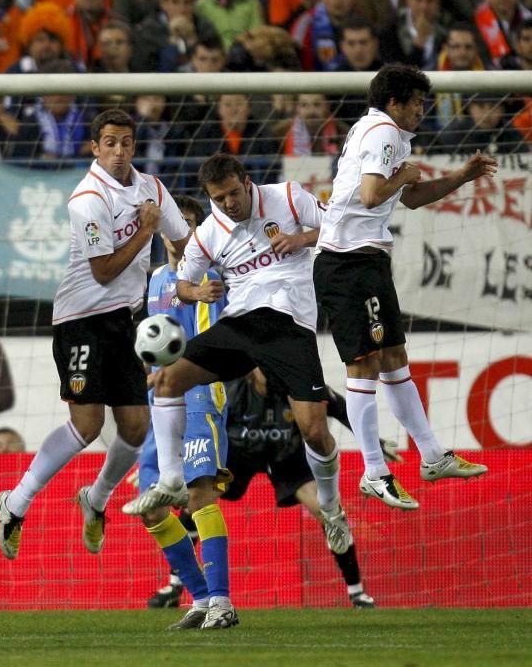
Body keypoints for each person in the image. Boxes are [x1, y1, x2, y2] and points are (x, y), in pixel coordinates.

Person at [138, 153, 351, 630]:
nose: (229, 204)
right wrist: (198, 295)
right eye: (220, 198)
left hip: (291, 326)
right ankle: (171, 477)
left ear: (247, 182)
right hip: (242, 326)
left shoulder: (290, 197)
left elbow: (341, 221)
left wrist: (302, 239)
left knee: (314, 431)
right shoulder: (209, 232)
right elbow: (181, 286)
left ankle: (332, 508)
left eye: (234, 193)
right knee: (168, 378)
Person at [0, 108, 191, 562]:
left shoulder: (152, 188)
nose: (119, 152)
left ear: (134, 146)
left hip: (125, 321)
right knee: (88, 425)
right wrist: (146, 230)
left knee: (136, 427)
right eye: (110, 143)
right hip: (79, 319)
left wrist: (185, 276)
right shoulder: (87, 197)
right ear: (95, 148)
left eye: (126, 143)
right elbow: (103, 272)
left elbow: (182, 240)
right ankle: (15, 501)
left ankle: (97, 498)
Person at [314, 63, 493, 510]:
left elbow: (408, 199)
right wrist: (405, 176)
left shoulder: (382, 133)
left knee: (394, 357)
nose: (421, 111)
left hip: (367, 259)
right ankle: (374, 471)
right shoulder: (384, 133)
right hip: (345, 262)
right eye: (417, 103)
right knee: (364, 364)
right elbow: (375, 193)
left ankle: (432, 456)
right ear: (394, 102)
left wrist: (462, 177)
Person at [128, 196, 237, 630]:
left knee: (197, 496)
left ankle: (223, 602)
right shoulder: (155, 280)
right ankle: (201, 599)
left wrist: (170, 371)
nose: (179, 235)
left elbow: (212, 344)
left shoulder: (209, 279)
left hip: (200, 395)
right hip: (161, 404)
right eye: (174, 226)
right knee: (152, 508)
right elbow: (149, 341)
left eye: (188, 225)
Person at [221, 368, 392, 608]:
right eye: (264, 367)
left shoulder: (294, 383)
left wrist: (373, 444)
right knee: (200, 495)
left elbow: (338, 407)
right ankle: (175, 585)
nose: (270, 373)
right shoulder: (232, 390)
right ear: (252, 367)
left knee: (328, 512)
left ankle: (357, 593)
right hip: (240, 455)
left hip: (286, 455)